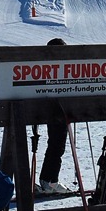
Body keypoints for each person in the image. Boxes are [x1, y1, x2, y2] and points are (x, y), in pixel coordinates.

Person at [38, 37, 72, 195]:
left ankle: (47, 180)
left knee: (55, 144)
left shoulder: (50, 66)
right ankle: (50, 181)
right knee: (57, 145)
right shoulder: (53, 67)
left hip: (55, 110)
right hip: (57, 111)